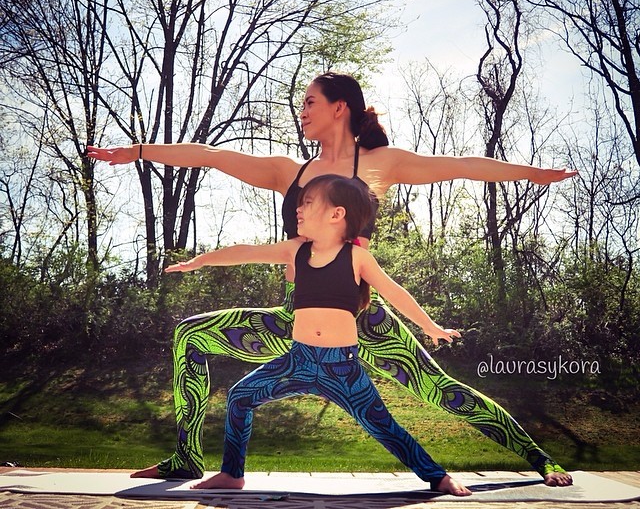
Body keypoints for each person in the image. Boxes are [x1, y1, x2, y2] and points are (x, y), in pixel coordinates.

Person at [87, 71, 575, 487]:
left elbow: (465, 167)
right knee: (190, 334)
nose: (301, 111)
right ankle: (187, 459)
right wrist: (138, 152)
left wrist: (532, 174)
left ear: (340, 108)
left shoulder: (381, 163)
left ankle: (540, 459)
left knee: (440, 390)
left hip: (362, 319)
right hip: (294, 318)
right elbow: (210, 155)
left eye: (310, 102)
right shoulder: (290, 171)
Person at [163, 174, 470, 495]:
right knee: (240, 397)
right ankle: (232, 473)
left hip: (342, 368)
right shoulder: (296, 251)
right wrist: (199, 262)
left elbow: (395, 292)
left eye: (308, 202)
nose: (298, 208)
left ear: (337, 215)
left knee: (383, 425)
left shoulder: (356, 257)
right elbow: (246, 251)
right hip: (299, 360)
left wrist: (430, 326)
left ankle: (438, 476)